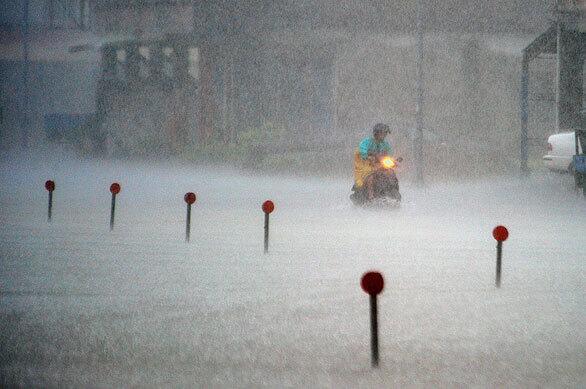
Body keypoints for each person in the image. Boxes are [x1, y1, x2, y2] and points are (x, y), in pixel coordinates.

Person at [354, 123, 393, 201]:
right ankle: (370, 196)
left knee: (390, 174)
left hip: (378, 165)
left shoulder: (385, 144)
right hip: (366, 164)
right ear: (376, 133)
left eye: (385, 133)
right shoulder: (367, 142)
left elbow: (389, 153)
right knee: (370, 176)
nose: (384, 135)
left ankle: (390, 193)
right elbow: (362, 149)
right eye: (382, 133)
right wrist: (367, 156)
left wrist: (392, 160)